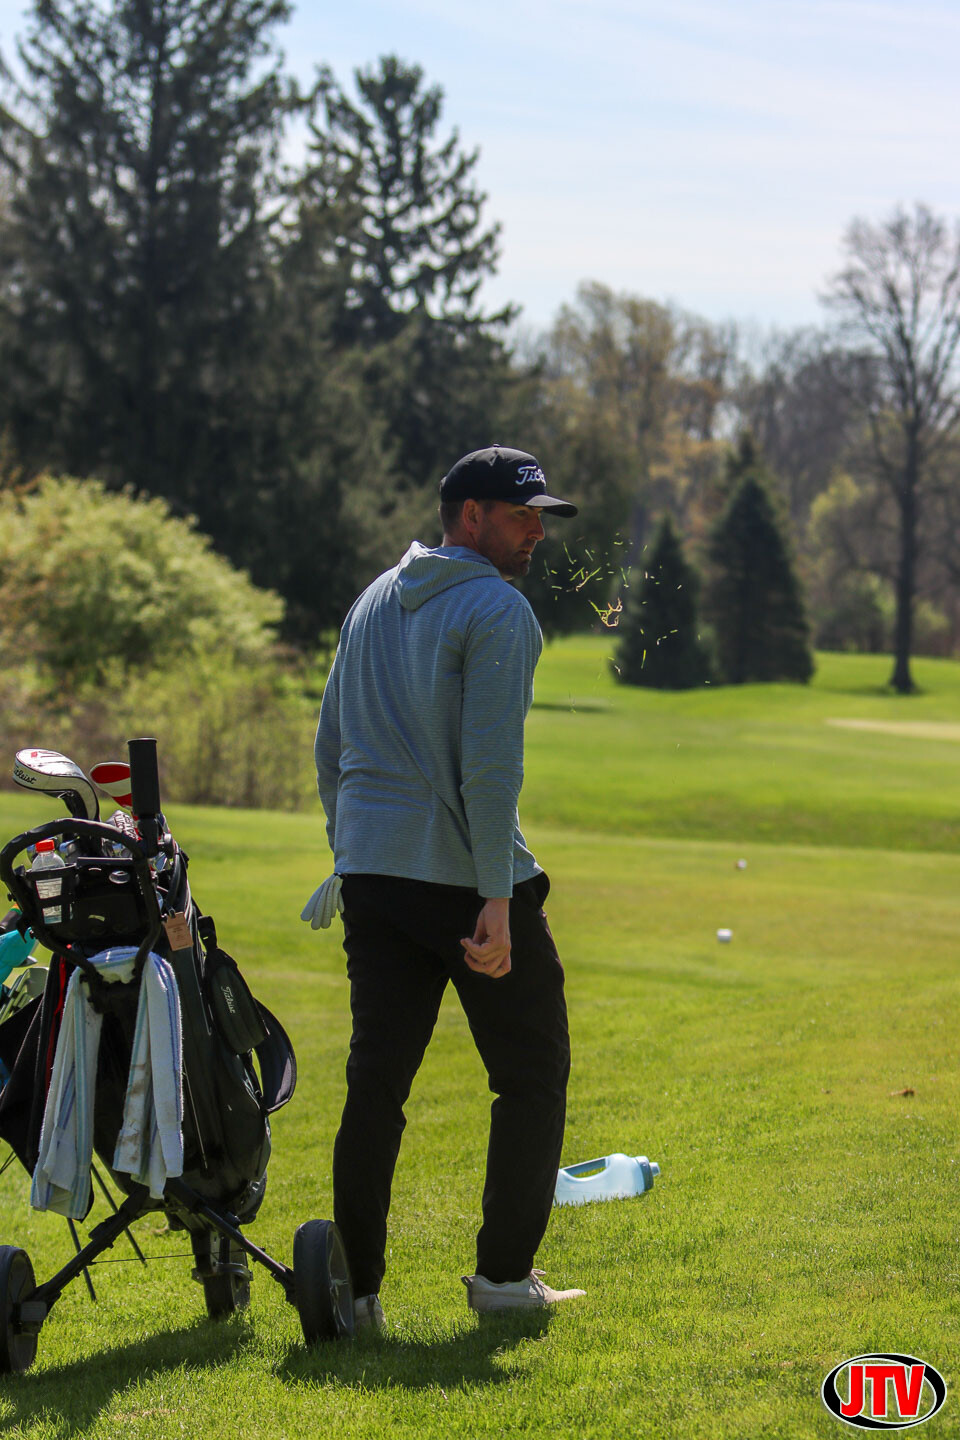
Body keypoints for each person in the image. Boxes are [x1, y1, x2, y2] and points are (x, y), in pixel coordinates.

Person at [303, 445, 585, 1328]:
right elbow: (491, 770)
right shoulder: (499, 609)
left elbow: (330, 749)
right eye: (521, 515)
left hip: (372, 875)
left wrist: (351, 850)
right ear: (470, 515)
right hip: (465, 882)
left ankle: (355, 1296)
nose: (536, 532)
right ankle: (503, 1282)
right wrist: (496, 899)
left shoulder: (372, 599)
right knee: (532, 1073)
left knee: (376, 1082)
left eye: (541, 517)